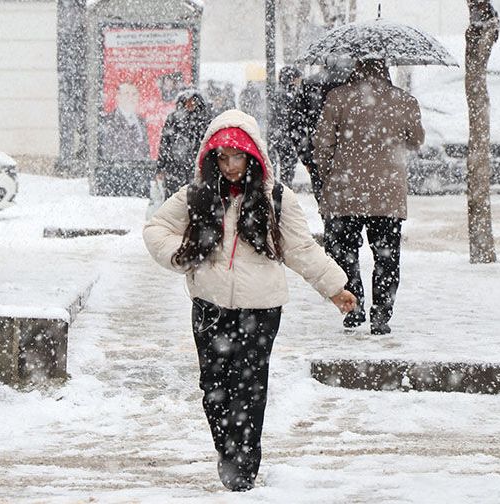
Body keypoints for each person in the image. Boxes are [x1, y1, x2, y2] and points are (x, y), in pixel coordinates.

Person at [143, 109, 356, 491]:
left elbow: (300, 248)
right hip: (209, 306)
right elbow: (155, 228)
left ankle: (243, 466)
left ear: (252, 156)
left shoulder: (276, 197)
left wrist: (334, 287)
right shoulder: (196, 194)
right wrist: (185, 253)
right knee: (213, 388)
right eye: (221, 158)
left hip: (261, 310)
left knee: (249, 386)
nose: (229, 166)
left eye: (236, 157)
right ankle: (228, 453)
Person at [313, 59, 424, 335]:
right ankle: (381, 315)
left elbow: (322, 145)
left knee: (343, 252)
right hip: (387, 194)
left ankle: (354, 306)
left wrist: (330, 176)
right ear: (385, 69)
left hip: (345, 193)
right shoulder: (404, 100)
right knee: (386, 258)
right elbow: (416, 140)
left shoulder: (338, 98)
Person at [291, 57, 354, 206]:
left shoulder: (310, 84)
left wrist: (307, 157)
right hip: (354, 159)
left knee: (330, 215)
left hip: (320, 157)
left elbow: (295, 124)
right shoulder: (357, 85)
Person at [155, 88, 213, 196]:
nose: (189, 104)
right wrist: (160, 167)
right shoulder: (173, 118)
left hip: (195, 167)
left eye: (193, 101)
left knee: (194, 199)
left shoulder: (204, 120)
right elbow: (165, 143)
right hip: (174, 167)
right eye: (186, 101)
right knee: (174, 199)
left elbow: (209, 145)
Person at [98, 82, 150, 162]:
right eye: (127, 94)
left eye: (134, 94)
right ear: (118, 96)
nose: (131, 97)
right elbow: (107, 151)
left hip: (141, 168)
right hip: (117, 169)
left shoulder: (141, 121)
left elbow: (145, 150)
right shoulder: (109, 120)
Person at [270, 66, 303, 189]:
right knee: (287, 171)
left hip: (279, 136)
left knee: (282, 169)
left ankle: (281, 193)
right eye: (298, 79)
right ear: (292, 79)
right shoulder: (289, 96)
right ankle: (283, 195)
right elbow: (290, 118)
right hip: (286, 137)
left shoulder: (278, 94)